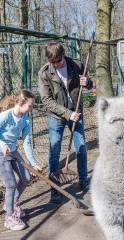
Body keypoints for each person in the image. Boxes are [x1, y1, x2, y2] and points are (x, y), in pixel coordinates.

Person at [38, 42, 93, 203]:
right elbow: (47, 101)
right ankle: (55, 189)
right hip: (57, 117)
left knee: (81, 146)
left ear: (63, 55)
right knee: (54, 150)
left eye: (58, 61)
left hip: (77, 111)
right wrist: (68, 114)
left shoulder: (76, 64)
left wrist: (87, 82)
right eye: (52, 62)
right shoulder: (44, 73)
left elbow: (88, 83)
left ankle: (83, 180)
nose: (56, 65)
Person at [0, 90, 42, 231]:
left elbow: (26, 143)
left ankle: (11, 203)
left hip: (13, 151)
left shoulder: (25, 120)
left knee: (26, 177)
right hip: (1, 153)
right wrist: (3, 145)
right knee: (11, 184)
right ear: (20, 102)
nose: (31, 109)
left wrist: (34, 164)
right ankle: (9, 217)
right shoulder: (6, 116)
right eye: (30, 106)